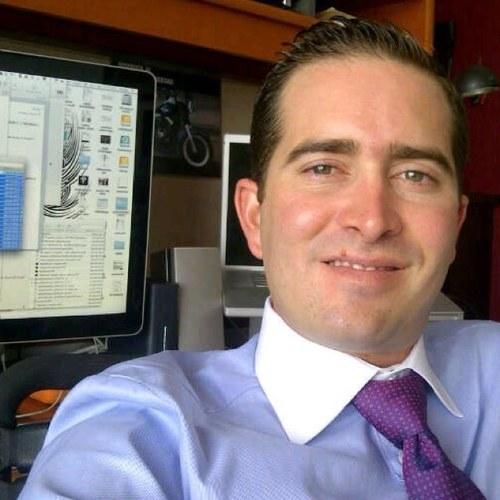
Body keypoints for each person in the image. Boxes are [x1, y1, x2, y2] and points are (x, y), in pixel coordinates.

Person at [21, 17, 499, 499]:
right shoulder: (145, 435)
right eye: (323, 168)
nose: (372, 220)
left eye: (415, 175)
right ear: (253, 217)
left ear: (456, 224)